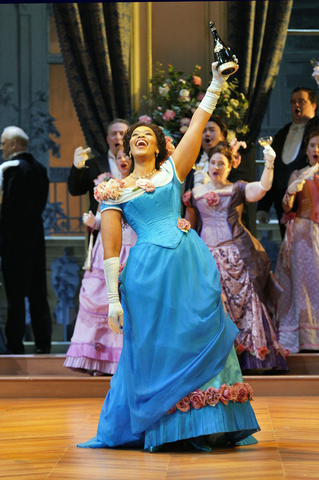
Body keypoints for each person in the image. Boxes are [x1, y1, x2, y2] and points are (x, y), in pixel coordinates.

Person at [78, 62, 260, 453]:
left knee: (198, 336)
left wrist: (215, 83)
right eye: (135, 136)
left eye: (148, 135)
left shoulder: (172, 172)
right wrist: (112, 300)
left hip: (188, 265)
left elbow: (196, 126)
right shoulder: (113, 191)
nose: (140, 137)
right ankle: (161, 425)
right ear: (126, 147)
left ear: (159, 146)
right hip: (146, 273)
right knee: (156, 348)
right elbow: (110, 251)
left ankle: (207, 423)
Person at [184, 143, 288, 373]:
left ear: (230, 167)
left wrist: (269, 163)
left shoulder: (236, 189)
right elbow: (189, 224)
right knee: (210, 304)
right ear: (208, 165)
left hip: (234, 253)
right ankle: (211, 358)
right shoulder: (196, 193)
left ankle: (247, 356)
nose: (217, 167)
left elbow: (261, 188)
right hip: (205, 255)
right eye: (213, 162)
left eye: (222, 163)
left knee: (244, 302)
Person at [64, 147, 137, 375]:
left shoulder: (141, 185)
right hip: (106, 248)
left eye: (127, 156)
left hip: (132, 248)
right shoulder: (107, 185)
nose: (123, 160)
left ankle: (125, 359)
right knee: (99, 299)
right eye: (119, 157)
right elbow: (104, 217)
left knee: (129, 302)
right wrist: (93, 221)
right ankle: (98, 356)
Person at [0, 126, 51, 354]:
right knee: (39, 295)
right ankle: (43, 344)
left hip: (13, 242)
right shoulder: (40, 169)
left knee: (16, 298)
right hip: (36, 240)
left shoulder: (11, 169)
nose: (1, 147)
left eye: (3, 142)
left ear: (13, 144)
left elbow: (8, 208)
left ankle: (14, 346)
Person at [274, 126, 319, 353]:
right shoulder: (298, 174)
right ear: (306, 148)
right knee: (304, 285)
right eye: (312, 145)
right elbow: (286, 207)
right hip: (303, 234)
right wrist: (290, 191)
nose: (316, 149)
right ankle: (305, 337)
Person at [257, 86, 319, 239]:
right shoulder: (282, 134)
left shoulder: (317, 128)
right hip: (283, 203)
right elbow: (273, 170)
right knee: (289, 248)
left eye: (301, 101)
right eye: (293, 102)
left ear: (313, 106)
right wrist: (263, 207)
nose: (296, 105)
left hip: (311, 204)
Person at [67, 118, 130, 215]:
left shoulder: (137, 163)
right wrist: (77, 168)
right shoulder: (92, 164)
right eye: (113, 134)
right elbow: (75, 191)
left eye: (122, 133)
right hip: (100, 222)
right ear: (108, 139)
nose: (118, 137)